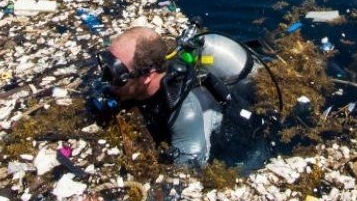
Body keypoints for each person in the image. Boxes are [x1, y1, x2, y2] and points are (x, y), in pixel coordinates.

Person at [95, 24, 262, 168]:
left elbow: (188, 174)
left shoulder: (184, 113)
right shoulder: (136, 82)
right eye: (105, 65)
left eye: (116, 74)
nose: (105, 80)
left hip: (238, 142)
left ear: (147, 76)